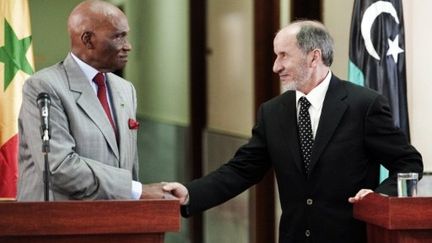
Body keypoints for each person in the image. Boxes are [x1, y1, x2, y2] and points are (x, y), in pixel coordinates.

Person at [162, 20, 423, 243]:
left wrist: (378, 196)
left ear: (313, 57)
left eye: (283, 55)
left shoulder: (363, 105)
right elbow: (242, 170)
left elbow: (408, 162)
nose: (276, 66)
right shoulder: (273, 112)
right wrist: (190, 193)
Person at [18, 0, 162, 201]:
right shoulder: (44, 86)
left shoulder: (125, 89)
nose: (127, 46)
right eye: (118, 37)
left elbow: (128, 165)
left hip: (117, 222)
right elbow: (58, 167)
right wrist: (136, 190)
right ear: (88, 39)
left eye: (126, 36)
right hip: (59, 223)